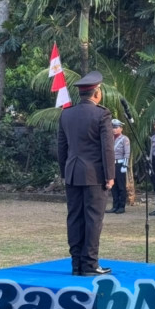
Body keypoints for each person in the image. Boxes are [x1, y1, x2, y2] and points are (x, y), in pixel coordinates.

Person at [57, 71, 115, 276]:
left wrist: (65, 172)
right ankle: (90, 264)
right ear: (96, 93)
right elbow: (107, 148)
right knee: (93, 219)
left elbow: (61, 147)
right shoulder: (102, 114)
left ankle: (76, 264)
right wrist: (110, 175)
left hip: (72, 173)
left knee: (74, 218)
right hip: (94, 175)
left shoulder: (66, 114)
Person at [108, 119, 130, 214]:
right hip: (112, 164)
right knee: (113, 186)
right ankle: (115, 205)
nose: (114, 129)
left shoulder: (124, 139)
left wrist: (125, 165)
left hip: (120, 164)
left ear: (121, 128)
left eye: (116, 127)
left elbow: (127, 153)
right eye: (113, 127)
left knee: (121, 186)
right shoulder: (110, 138)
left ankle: (121, 206)